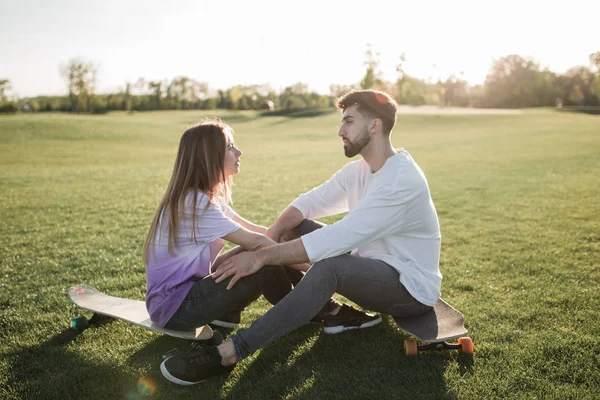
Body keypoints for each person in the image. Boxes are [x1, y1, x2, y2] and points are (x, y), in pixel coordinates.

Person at [159, 90, 443, 385]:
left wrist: (260, 256)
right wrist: (269, 238)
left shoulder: (399, 180)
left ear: (374, 126)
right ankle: (326, 310)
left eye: (348, 121)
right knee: (292, 227)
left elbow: (340, 237)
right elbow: (307, 204)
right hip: (370, 269)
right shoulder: (359, 171)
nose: (340, 130)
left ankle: (230, 352)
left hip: (408, 288)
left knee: (329, 267)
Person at [143, 120, 378, 344]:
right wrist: (321, 269)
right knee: (266, 261)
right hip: (177, 310)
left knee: (265, 250)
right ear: (209, 157)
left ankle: (233, 311)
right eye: (230, 147)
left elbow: (261, 234)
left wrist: (283, 238)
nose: (239, 152)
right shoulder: (195, 205)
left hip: (186, 297)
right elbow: (259, 243)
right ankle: (326, 310)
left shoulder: (204, 198)